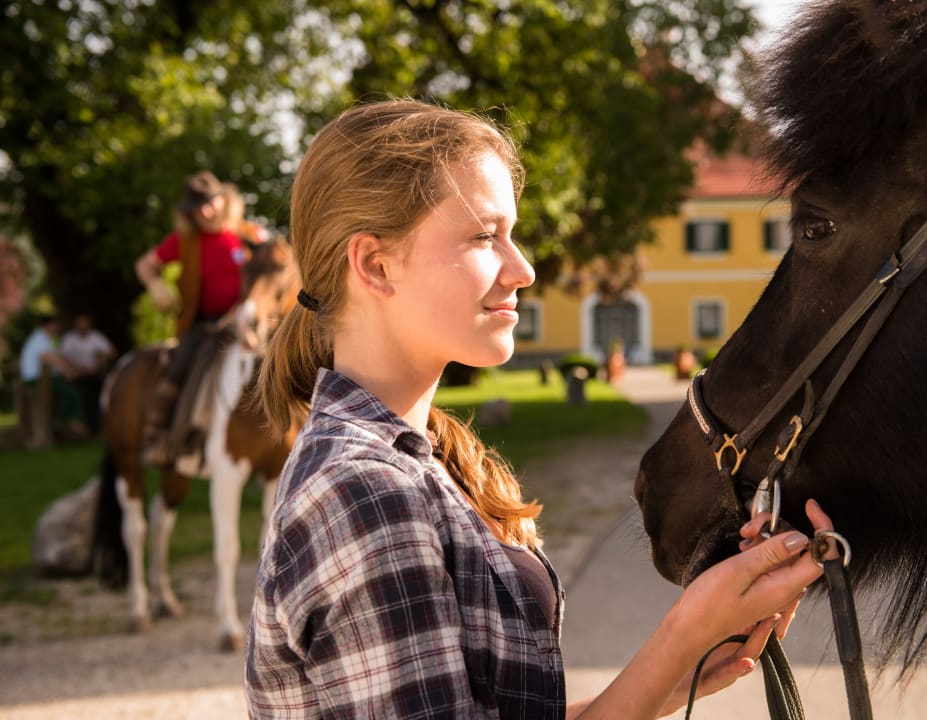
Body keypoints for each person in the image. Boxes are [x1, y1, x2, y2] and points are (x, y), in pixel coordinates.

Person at [246, 99, 834, 719]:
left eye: (512, 234)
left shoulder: (421, 462)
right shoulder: (365, 493)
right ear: (375, 263)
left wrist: (678, 670)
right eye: (483, 236)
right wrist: (681, 635)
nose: (522, 269)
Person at [134, 170, 246, 464]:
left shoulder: (247, 236)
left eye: (212, 202)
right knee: (179, 367)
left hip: (246, 323)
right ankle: (160, 437)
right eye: (199, 207)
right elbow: (145, 265)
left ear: (224, 199)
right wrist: (155, 284)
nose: (207, 211)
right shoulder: (184, 242)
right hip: (203, 325)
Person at [19, 314, 87, 439]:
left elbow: (57, 357)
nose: (57, 329)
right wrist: (67, 370)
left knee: (72, 389)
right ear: (49, 326)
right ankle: (69, 421)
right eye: (55, 326)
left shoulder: (45, 339)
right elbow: (48, 358)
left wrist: (70, 368)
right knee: (70, 392)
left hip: (45, 379)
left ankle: (68, 421)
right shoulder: (39, 339)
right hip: (37, 380)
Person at [59, 313, 115, 434]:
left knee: (97, 397)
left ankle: (96, 427)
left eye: (85, 325)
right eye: (80, 325)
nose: (82, 327)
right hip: (76, 375)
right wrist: (75, 368)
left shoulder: (96, 337)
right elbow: (63, 356)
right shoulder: (70, 339)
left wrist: (100, 359)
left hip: (92, 375)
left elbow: (111, 351)